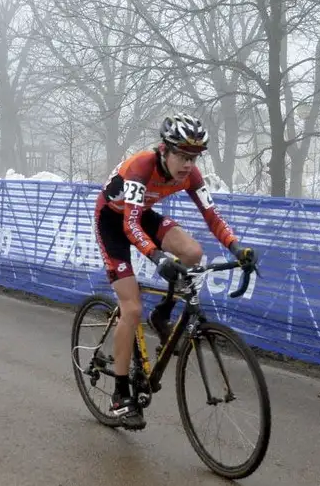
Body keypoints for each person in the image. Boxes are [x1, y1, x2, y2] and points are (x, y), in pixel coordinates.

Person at [93, 114, 256, 430]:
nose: (187, 164)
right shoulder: (141, 167)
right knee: (132, 307)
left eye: (192, 157)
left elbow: (213, 217)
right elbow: (129, 225)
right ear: (164, 150)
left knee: (193, 252)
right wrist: (157, 257)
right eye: (181, 155)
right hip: (112, 222)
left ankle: (163, 314)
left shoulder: (191, 175)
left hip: (141, 216)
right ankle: (119, 394)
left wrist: (237, 248)